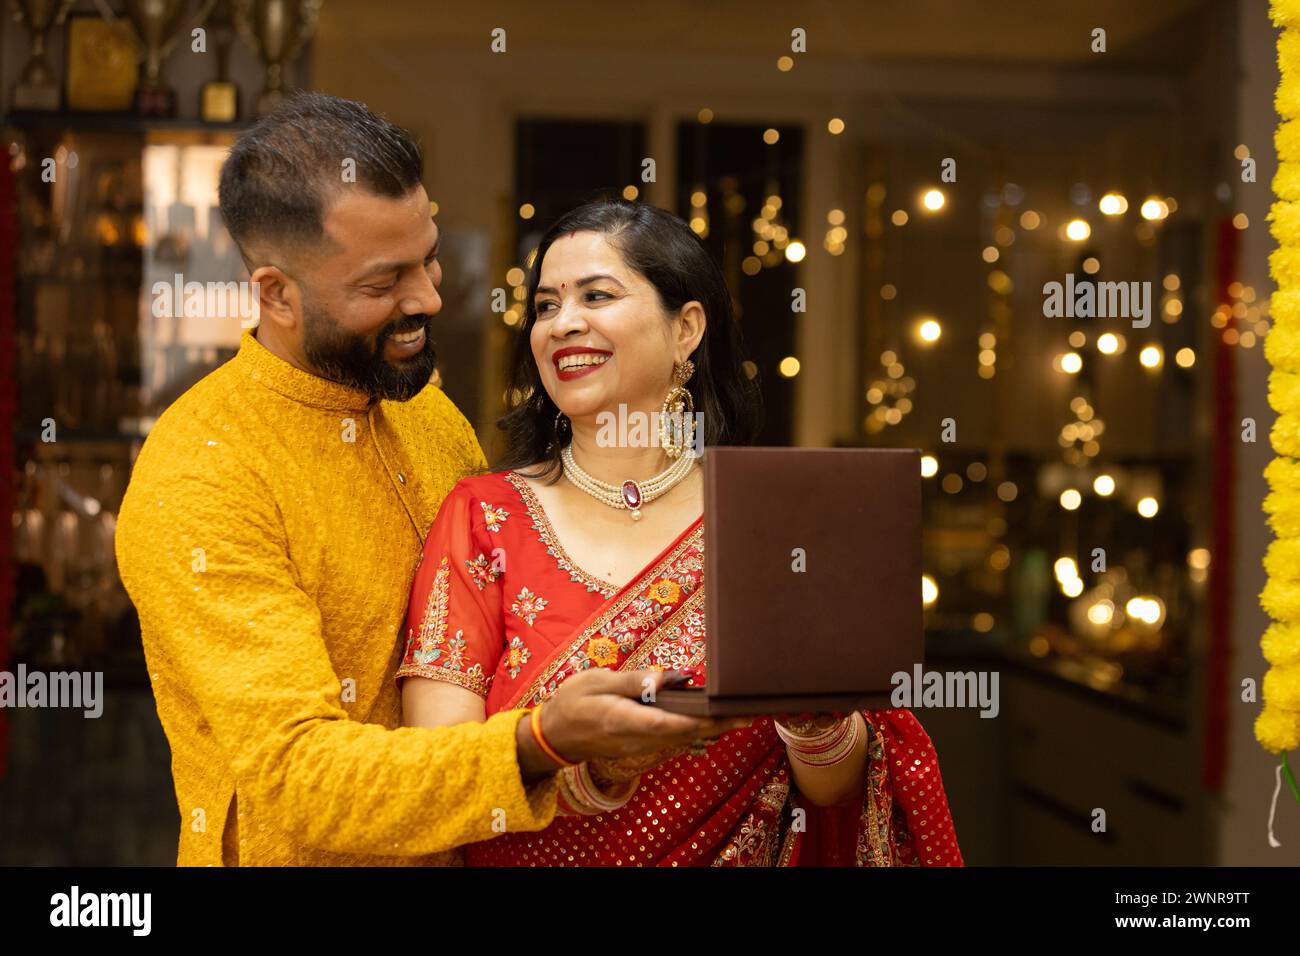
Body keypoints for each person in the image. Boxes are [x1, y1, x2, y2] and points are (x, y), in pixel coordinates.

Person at [115, 94, 740, 867]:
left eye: (430, 258)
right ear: (276, 294)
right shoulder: (204, 473)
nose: (430, 299)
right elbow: (299, 780)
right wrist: (542, 739)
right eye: (384, 283)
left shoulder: (428, 417)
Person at [400, 198, 964, 866]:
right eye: (546, 305)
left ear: (686, 329)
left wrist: (816, 722)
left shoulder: (772, 521)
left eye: (597, 295)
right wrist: (590, 763)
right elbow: (437, 775)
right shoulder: (484, 515)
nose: (564, 324)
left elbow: (836, 793)